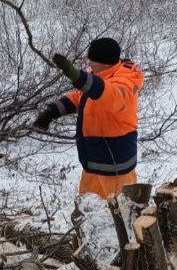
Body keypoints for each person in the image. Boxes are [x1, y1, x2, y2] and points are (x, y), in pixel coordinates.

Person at [34, 37, 143, 199]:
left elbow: (108, 95)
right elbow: (82, 96)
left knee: (120, 212)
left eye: (92, 60)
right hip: (94, 161)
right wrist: (53, 111)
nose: (89, 63)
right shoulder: (103, 75)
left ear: (104, 63)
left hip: (115, 167)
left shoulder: (124, 83)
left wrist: (79, 78)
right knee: (87, 208)